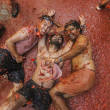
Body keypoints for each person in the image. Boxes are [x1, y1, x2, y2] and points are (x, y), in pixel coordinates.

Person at [0, 33, 64, 110]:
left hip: (46, 93)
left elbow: (71, 46)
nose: (57, 38)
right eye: (55, 36)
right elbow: (42, 33)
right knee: (7, 106)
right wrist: (51, 29)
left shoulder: (62, 55)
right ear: (49, 40)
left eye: (60, 39)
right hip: (31, 86)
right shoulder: (42, 49)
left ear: (61, 45)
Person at [0, 10, 55, 98]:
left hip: (15, 62)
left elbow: (48, 28)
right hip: (5, 55)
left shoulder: (40, 34)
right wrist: (17, 57)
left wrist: (48, 17)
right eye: (44, 25)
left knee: (19, 86)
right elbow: (9, 41)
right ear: (39, 22)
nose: (45, 29)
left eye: (48, 27)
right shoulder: (26, 32)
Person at [43, 19, 95, 110]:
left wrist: (59, 59)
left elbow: (79, 49)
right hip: (79, 76)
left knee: (53, 93)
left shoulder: (82, 38)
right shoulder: (74, 41)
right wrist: (53, 21)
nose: (68, 33)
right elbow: (61, 30)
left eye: (71, 29)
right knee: (55, 100)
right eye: (67, 31)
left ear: (78, 30)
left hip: (85, 74)